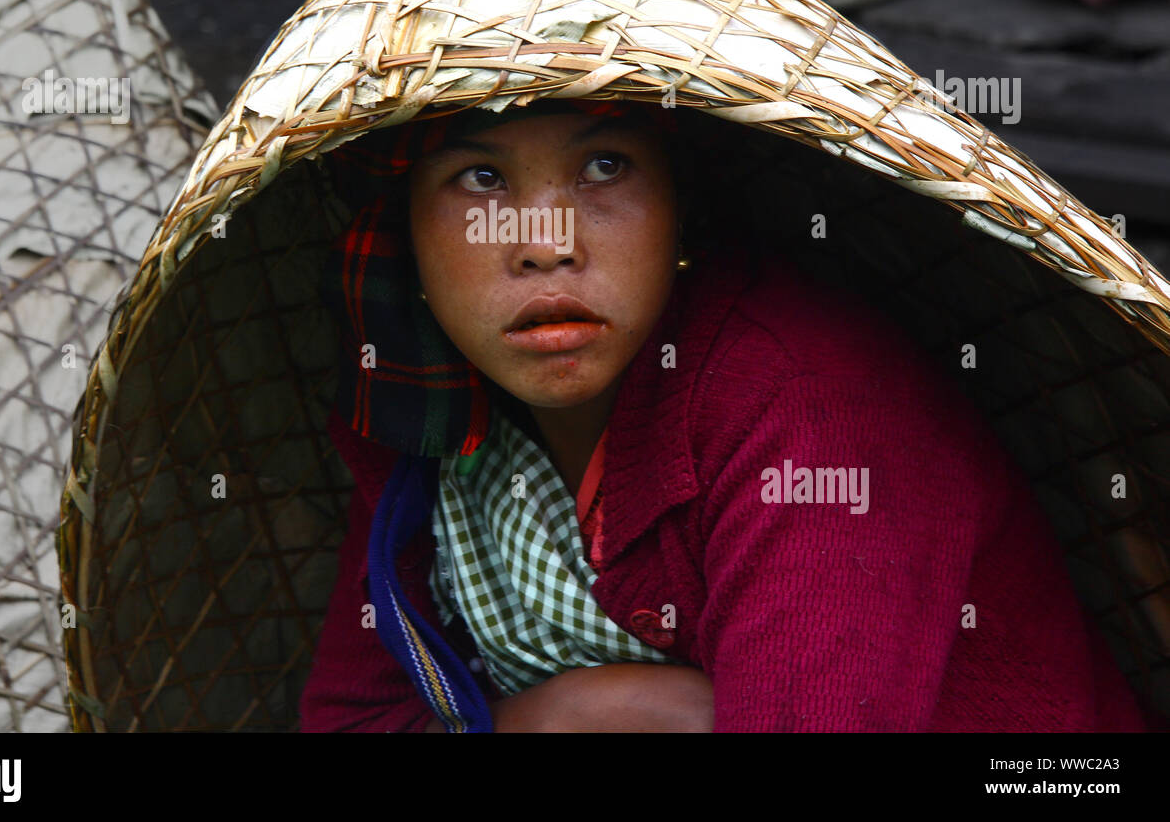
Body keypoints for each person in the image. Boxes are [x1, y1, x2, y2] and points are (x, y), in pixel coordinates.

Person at [297, 96, 1150, 733]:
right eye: (481, 179)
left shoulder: (805, 409)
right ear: (407, 236)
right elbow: (352, 719)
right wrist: (577, 713)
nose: (548, 244)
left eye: (605, 166)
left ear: (679, 206)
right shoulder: (421, 409)